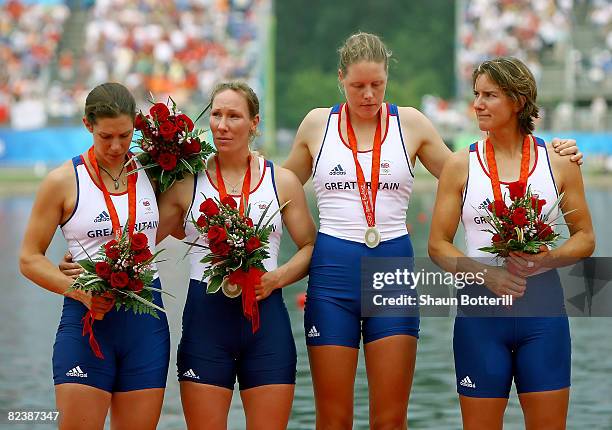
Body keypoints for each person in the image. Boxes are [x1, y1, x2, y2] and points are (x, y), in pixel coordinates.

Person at [283, 32, 583, 429]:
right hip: (332, 276)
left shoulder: (410, 123)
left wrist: (553, 151)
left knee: (390, 421)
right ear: (341, 79)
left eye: (378, 85)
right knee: (333, 420)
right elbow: (277, 191)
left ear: (388, 78)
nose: (368, 95)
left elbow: (474, 175)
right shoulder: (316, 124)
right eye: (358, 86)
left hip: (391, 273)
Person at [428, 57, 595, 430]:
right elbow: (438, 245)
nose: (477, 104)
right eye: (476, 95)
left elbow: (585, 238)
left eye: (490, 95)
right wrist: (488, 275)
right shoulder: (459, 166)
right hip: (479, 317)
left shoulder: (559, 163)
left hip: (543, 315)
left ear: (518, 101)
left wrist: (547, 260)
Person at [155, 81, 316, 429]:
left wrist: (279, 277)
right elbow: (141, 237)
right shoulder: (186, 183)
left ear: (254, 123)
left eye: (234, 116)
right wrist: (85, 262)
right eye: (216, 115)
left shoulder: (282, 181)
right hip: (206, 324)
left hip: (266, 322)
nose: (223, 125)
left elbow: (310, 246)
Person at [20, 82, 170, 430]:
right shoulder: (62, 181)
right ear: (88, 125)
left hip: (146, 325)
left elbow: (184, 217)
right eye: (106, 137)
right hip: (88, 322)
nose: (117, 147)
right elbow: (29, 258)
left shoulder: (155, 171)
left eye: (125, 135)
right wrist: (77, 289)